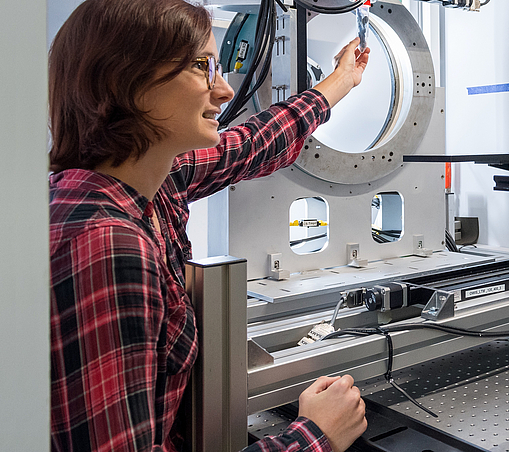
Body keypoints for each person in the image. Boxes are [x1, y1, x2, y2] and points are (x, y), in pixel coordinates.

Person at [47, 0, 370, 450]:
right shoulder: (107, 244)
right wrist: (314, 437)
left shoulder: (150, 182)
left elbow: (253, 145)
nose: (222, 90)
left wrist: (342, 80)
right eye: (203, 67)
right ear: (130, 81)